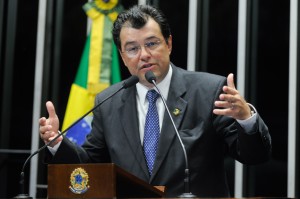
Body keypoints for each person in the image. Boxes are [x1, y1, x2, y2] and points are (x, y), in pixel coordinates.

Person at [39, 5, 271, 197]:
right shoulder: (108, 101)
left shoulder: (208, 91)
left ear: (168, 44)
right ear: (122, 56)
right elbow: (91, 167)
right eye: (132, 48)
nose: (144, 55)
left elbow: (254, 156)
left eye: (151, 43)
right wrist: (58, 143)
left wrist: (246, 118)